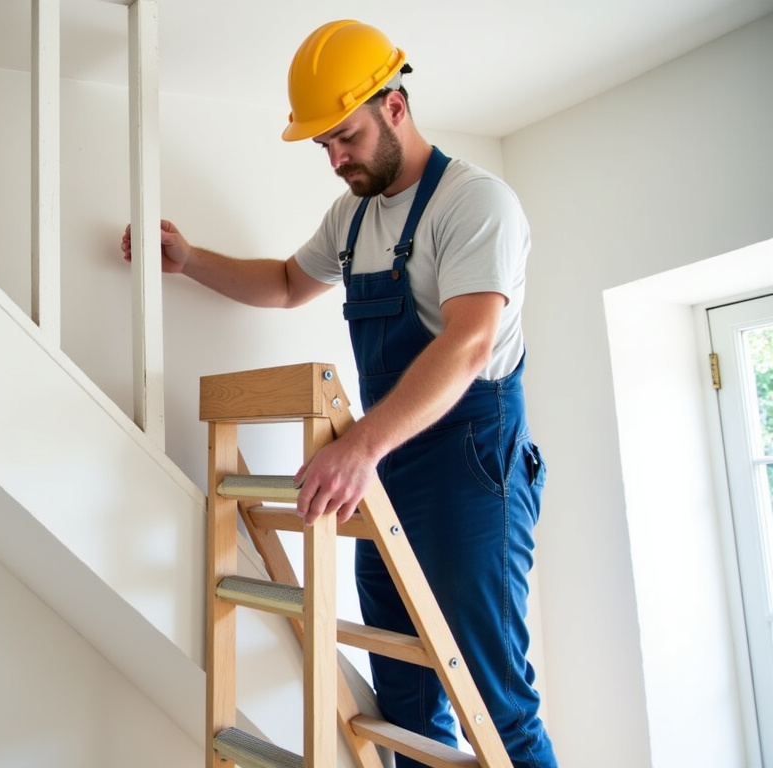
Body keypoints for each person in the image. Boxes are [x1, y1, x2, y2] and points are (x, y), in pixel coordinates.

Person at [120, 19, 557, 768]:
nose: (335, 158)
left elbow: (470, 343)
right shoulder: (353, 215)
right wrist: (190, 261)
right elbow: (291, 283)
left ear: (394, 105)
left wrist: (358, 445)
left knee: (492, 701)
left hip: (469, 469)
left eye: (344, 137)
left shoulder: (476, 204)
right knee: (409, 705)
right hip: (388, 468)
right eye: (323, 144)